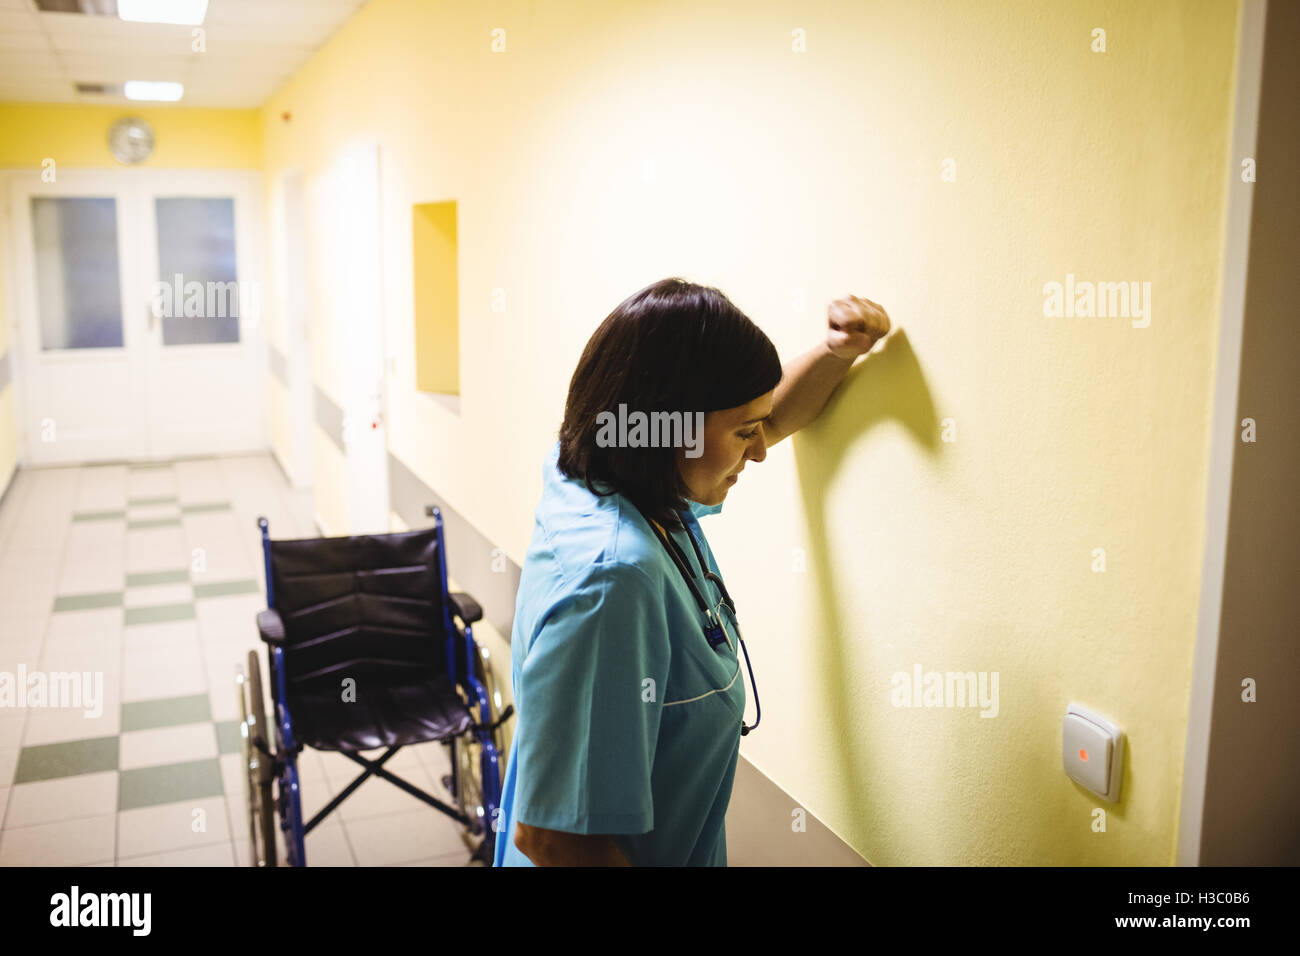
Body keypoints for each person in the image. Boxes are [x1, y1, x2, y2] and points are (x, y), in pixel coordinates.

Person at [493, 277, 891, 866]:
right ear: (667, 429)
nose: (759, 449)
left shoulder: (607, 470)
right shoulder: (612, 581)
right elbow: (556, 841)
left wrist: (837, 353)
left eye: (755, 427)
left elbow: (773, 417)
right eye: (744, 432)